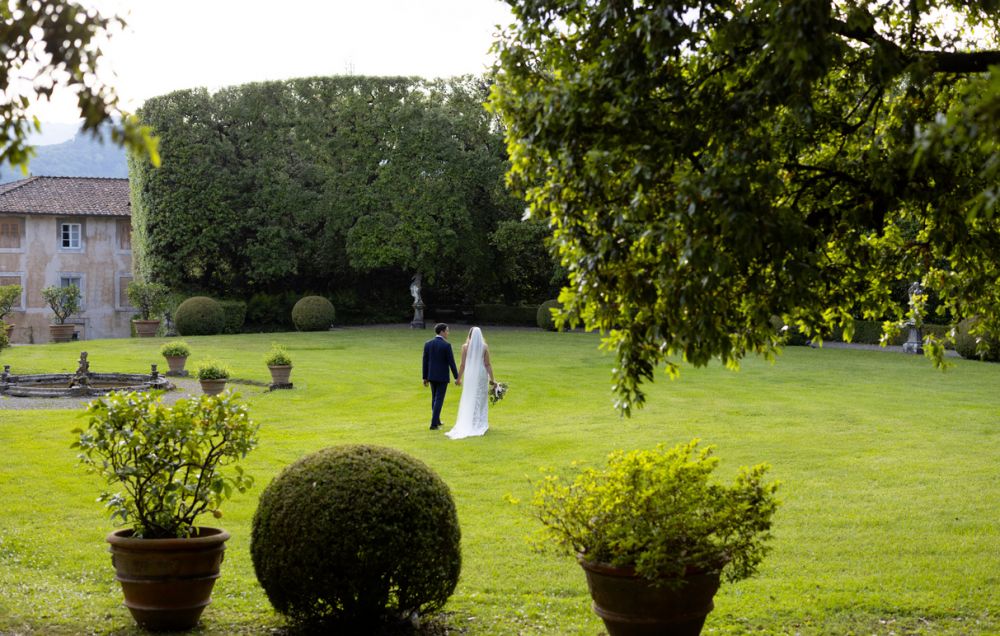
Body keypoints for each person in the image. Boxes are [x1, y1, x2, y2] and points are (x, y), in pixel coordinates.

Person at [446, 327, 495, 439]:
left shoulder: (465, 347)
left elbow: (462, 364)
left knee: (469, 396)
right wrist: (492, 379)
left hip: (470, 374)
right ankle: (480, 421)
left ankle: (470, 420)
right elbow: (488, 364)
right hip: (481, 373)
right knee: (481, 397)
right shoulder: (484, 347)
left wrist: (458, 378)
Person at [423, 323, 459, 430]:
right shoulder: (446, 345)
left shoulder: (428, 344)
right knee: (439, 399)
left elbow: (425, 361)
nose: (448, 333)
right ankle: (433, 424)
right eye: (447, 331)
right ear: (442, 332)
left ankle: (437, 420)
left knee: (434, 398)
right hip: (442, 376)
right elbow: (451, 363)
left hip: (431, 376)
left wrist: (424, 377)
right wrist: (457, 377)